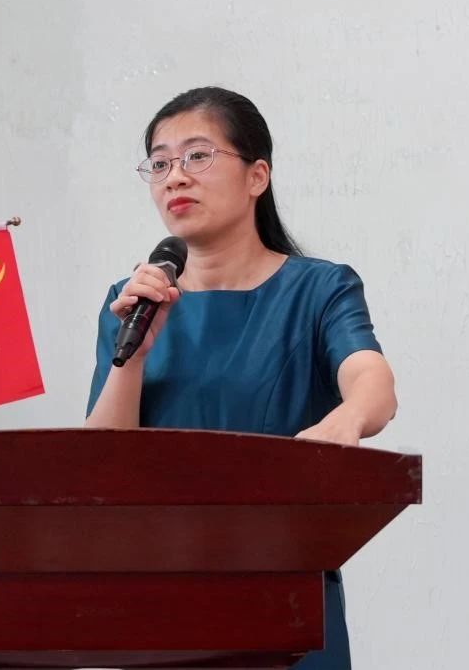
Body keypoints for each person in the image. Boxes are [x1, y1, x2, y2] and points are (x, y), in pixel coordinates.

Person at [85, 86, 397, 670]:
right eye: (160, 163)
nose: (175, 177)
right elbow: (101, 463)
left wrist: (347, 420)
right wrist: (137, 354)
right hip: (159, 598)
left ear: (258, 176)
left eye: (198, 155)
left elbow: (373, 383)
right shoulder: (131, 304)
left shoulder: (319, 290)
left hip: (284, 593)